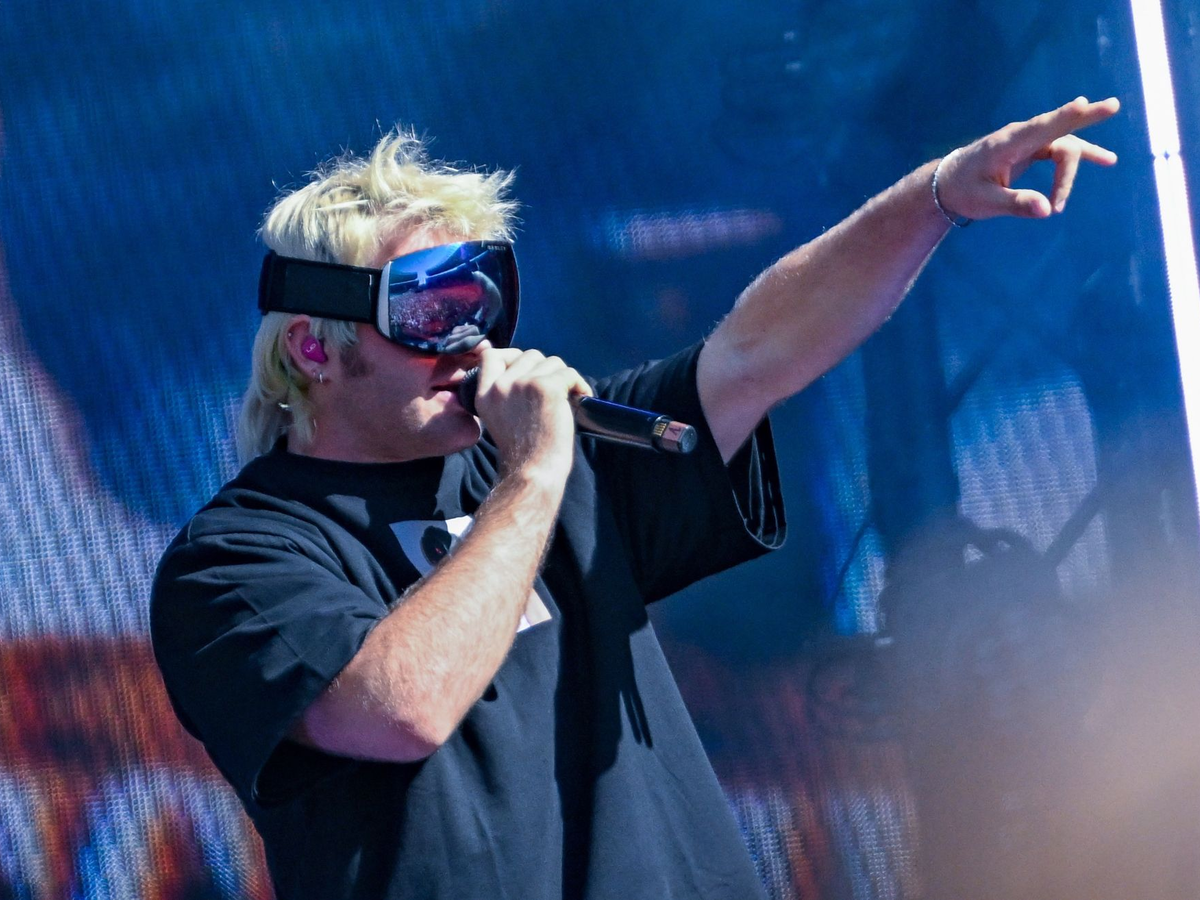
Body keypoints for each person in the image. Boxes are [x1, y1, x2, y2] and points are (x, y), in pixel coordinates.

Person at [150, 96, 1120, 899]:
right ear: (315, 349)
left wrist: (936, 196)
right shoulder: (237, 559)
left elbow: (758, 350)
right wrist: (534, 475)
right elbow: (400, 710)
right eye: (427, 310)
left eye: (481, 298)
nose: (469, 340)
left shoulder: (557, 462)